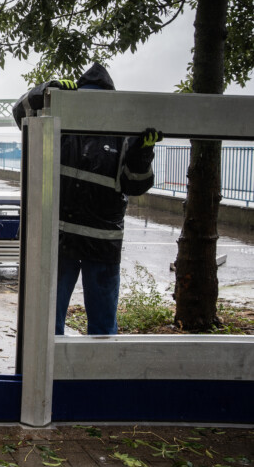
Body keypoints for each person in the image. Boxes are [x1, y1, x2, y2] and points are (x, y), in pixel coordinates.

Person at [12, 63, 159, 336]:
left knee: (102, 326)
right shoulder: (59, 122)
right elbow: (20, 112)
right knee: (47, 325)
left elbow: (135, 185)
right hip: (59, 242)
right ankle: (50, 377)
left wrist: (142, 154)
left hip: (100, 245)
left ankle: (97, 376)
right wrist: (46, 90)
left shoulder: (123, 133)